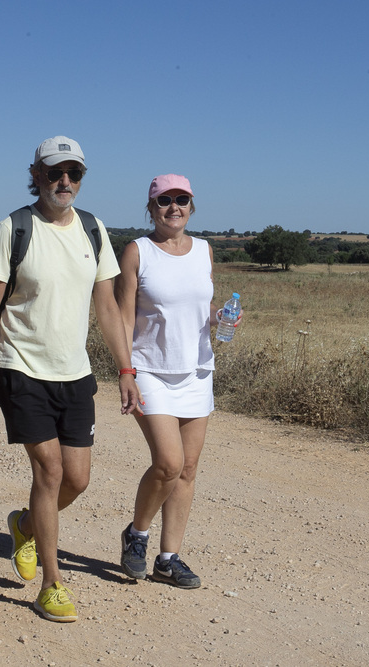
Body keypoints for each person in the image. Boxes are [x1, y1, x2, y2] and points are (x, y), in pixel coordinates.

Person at [0, 136, 140, 622]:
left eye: (74, 173)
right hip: (21, 367)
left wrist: (125, 370)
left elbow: (107, 306)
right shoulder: (15, 228)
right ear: (36, 174)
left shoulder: (93, 229)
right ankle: (51, 583)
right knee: (48, 472)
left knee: (78, 480)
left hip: (76, 373)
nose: (64, 181)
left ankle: (25, 525)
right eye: (54, 172)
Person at [115, 174, 238, 589]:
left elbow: (201, 308)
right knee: (168, 462)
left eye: (181, 200)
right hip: (149, 370)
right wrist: (125, 371)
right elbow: (123, 316)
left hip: (197, 370)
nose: (174, 208)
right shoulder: (137, 252)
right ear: (151, 208)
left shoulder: (204, 251)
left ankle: (168, 559)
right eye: (164, 201)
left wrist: (221, 317)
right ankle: (137, 535)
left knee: (187, 469)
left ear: (192, 206)